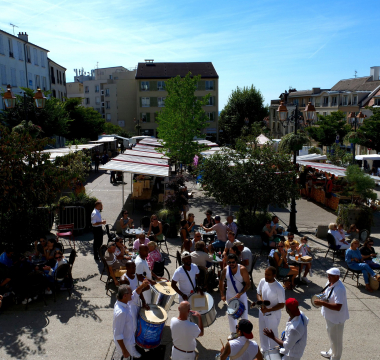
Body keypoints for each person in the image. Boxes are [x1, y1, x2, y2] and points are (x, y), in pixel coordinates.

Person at [314, 268, 349, 360]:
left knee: (337, 340)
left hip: (336, 319)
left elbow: (338, 307)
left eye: (331, 276)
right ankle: (331, 352)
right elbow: (325, 293)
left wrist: (322, 303)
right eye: (328, 275)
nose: (328, 277)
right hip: (329, 317)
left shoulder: (340, 289)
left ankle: (336, 357)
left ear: (337, 276)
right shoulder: (330, 282)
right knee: (332, 337)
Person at [113, 279, 150, 359]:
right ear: (125, 296)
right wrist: (124, 350)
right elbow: (118, 334)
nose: (132, 294)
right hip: (127, 345)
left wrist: (142, 286)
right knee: (131, 358)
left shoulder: (123, 301)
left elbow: (135, 293)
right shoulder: (121, 312)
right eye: (130, 293)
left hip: (130, 341)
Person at [220, 254, 250, 339]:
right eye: (229, 262)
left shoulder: (242, 269)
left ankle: (245, 333)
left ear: (236, 261)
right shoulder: (225, 269)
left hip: (241, 295)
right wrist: (222, 294)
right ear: (227, 262)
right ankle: (234, 332)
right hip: (230, 295)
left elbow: (248, 284)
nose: (231, 264)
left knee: (244, 315)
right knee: (231, 315)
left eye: (233, 262)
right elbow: (221, 281)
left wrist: (240, 293)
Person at [256, 266, 285, 353]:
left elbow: (282, 305)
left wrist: (268, 310)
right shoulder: (262, 281)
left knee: (272, 335)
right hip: (262, 312)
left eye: (268, 275)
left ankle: (273, 353)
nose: (266, 276)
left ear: (274, 275)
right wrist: (260, 301)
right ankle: (264, 349)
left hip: (273, 315)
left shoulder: (279, 288)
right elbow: (258, 293)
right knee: (262, 331)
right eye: (265, 274)